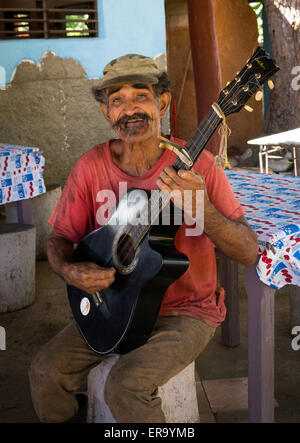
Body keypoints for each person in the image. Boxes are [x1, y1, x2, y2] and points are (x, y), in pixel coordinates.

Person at [28, 54, 258, 423]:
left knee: (125, 385)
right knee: (44, 372)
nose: (129, 109)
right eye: (117, 100)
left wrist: (202, 209)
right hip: (113, 303)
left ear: (162, 103)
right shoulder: (91, 166)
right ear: (106, 112)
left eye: (141, 96)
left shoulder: (200, 165)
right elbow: (59, 238)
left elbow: (249, 252)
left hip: (188, 311)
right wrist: (71, 271)